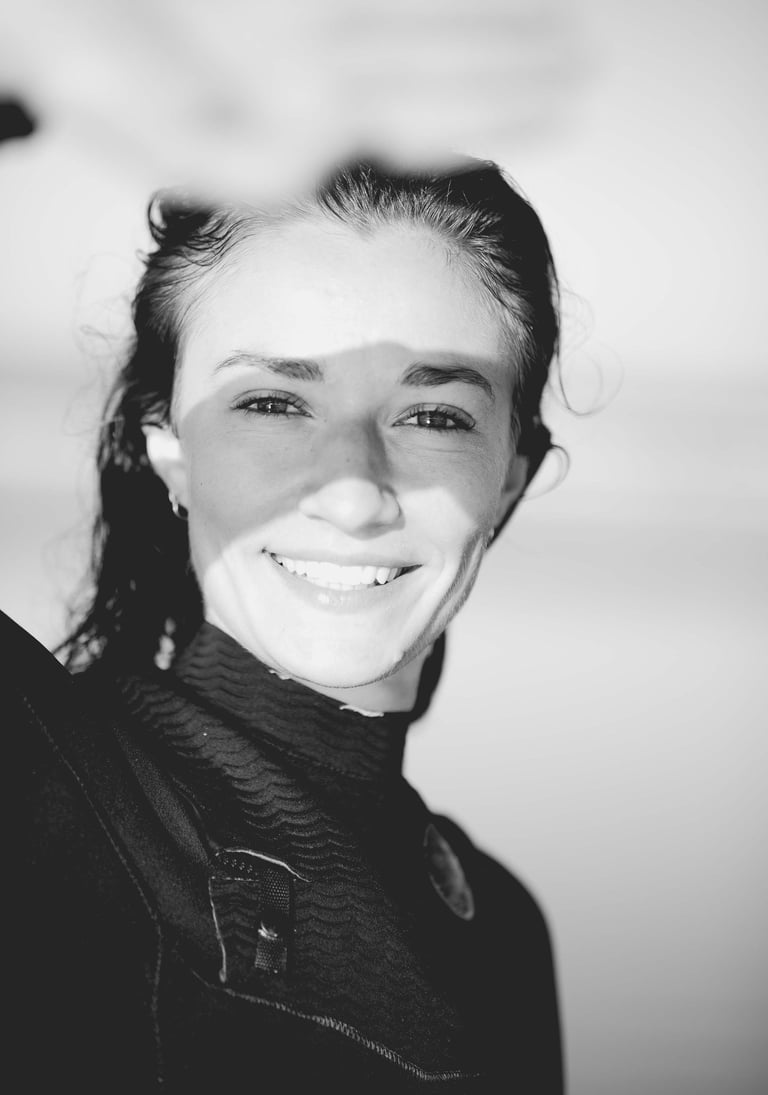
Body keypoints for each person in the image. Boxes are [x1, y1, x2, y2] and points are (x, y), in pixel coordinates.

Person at [13, 156, 563, 1092]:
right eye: (272, 402)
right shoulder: (30, 778)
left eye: (433, 413)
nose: (352, 491)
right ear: (171, 453)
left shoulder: (501, 928)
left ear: (510, 472)